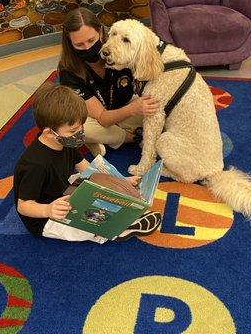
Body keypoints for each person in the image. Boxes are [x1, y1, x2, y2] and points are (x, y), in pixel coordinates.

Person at [13, 83, 161, 243]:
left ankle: (117, 212)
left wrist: (120, 182)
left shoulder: (64, 142)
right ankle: (120, 228)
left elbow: (86, 167)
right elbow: (24, 205)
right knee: (86, 223)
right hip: (45, 218)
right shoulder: (35, 165)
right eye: (72, 131)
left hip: (62, 190)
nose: (79, 134)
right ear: (49, 133)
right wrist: (47, 210)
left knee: (94, 181)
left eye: (81, 127)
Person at [58, 7, 159, 156]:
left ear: (100, 31)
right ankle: (130, 137)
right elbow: (102, 118)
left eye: (91, 40)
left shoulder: (119, 48)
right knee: (72, 129)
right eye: (79, 44)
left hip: (124, 106)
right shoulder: (68, 71)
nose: (87, 48)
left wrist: (135, 107)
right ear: (69, 42)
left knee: (157, 108)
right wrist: (133, 110)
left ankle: (101, 139)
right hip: (93, 118)